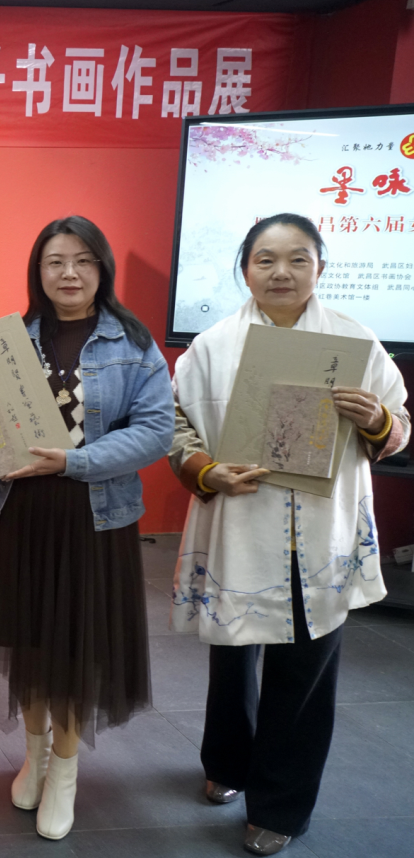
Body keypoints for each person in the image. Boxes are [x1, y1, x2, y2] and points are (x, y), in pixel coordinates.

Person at [170, 213, 408, 856]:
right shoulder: (211, 346)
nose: (282, 272)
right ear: (245, 270)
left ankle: (280, 804)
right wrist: (207, 470)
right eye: (266, 259)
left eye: (298, 259)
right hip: (241, 521)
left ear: (320, 268)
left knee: (305, 672)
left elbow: (399, 425)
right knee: (232, 655)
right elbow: (175, 426)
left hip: (321, 533)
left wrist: (377, 419)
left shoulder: (355, 341)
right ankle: (227, 761)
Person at [0, 215, 174, 840]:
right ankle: (35, 754)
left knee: (75, 647)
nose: (69, 273)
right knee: (28, 640)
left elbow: (156, 432)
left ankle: (65, 769)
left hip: (92, 517)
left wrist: (74, 461)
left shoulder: (133, 343)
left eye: (83, 261)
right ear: (37, 272)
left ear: (103, 269)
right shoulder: (10, 341)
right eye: (55, 262)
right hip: (18, 514)